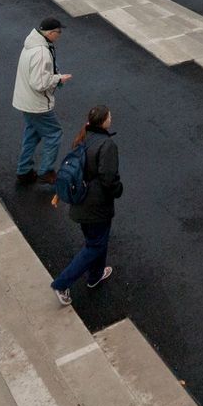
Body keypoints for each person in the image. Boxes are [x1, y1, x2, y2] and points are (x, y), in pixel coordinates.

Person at [51, 105, 121, 306]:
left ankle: (95, 275)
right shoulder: (107, 145)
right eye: (109, 115)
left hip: (80, 203)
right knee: (94, 245)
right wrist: (119, 190)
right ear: (104, 121)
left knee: (97, 241)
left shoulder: (82, 138)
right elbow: (109, 179)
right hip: (96, 207)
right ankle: (61, 283)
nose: (111, 117)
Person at [13, 17, 71, 187]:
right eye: (58, 32)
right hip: (37, 104)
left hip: (25, 101)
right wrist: (59, 79)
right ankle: (46, 171)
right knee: (54, 133)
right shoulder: (42, 52)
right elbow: (39, 83)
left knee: (32, 133)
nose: (59, 36)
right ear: (50, 33)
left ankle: (24, 171)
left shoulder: (31, 45)